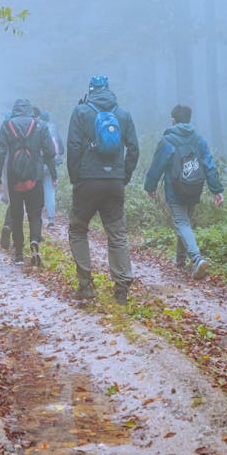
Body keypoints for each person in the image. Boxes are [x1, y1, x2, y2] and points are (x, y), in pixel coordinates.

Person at [66, 75, 139, 305]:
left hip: (87, 181)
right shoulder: (123, 114)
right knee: (117, 234)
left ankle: (86, 285)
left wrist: (75, 178)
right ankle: (121, 287)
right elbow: (134, 149)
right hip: (114, 182)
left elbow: (73, 146)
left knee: (78, 230)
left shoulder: (80, 112)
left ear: (90, 90)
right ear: (108, 89)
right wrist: (123, 175)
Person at [144, 104, 224, 280]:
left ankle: (197, 259)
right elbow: (209, 164)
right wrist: (216, 190)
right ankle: (180, 261)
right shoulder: (198, 139)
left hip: (175, 190)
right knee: (184, 222)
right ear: (189, 120)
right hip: (195, 187)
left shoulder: (168, 140)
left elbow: (157, 166)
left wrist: (150, 187)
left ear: (173, 121)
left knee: (182, 223)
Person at [0, 98, 57, 266]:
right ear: (30, 110)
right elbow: (50, 152)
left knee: (16, 214)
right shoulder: (40, 125)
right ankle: (34, 241)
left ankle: (19, 254)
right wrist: (53, 173)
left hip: (14, 176)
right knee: (35, 213)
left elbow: (0, 152)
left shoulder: (7, 125)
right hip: (35, 175)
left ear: (15, 109)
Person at [39, 109, 64, 230]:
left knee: (37, 191)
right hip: (52, 165)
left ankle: (36, 217)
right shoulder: (54, 129)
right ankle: (51, 219)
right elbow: (62, 150)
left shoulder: (37, 127)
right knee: (50, 192)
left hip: (38, 165)